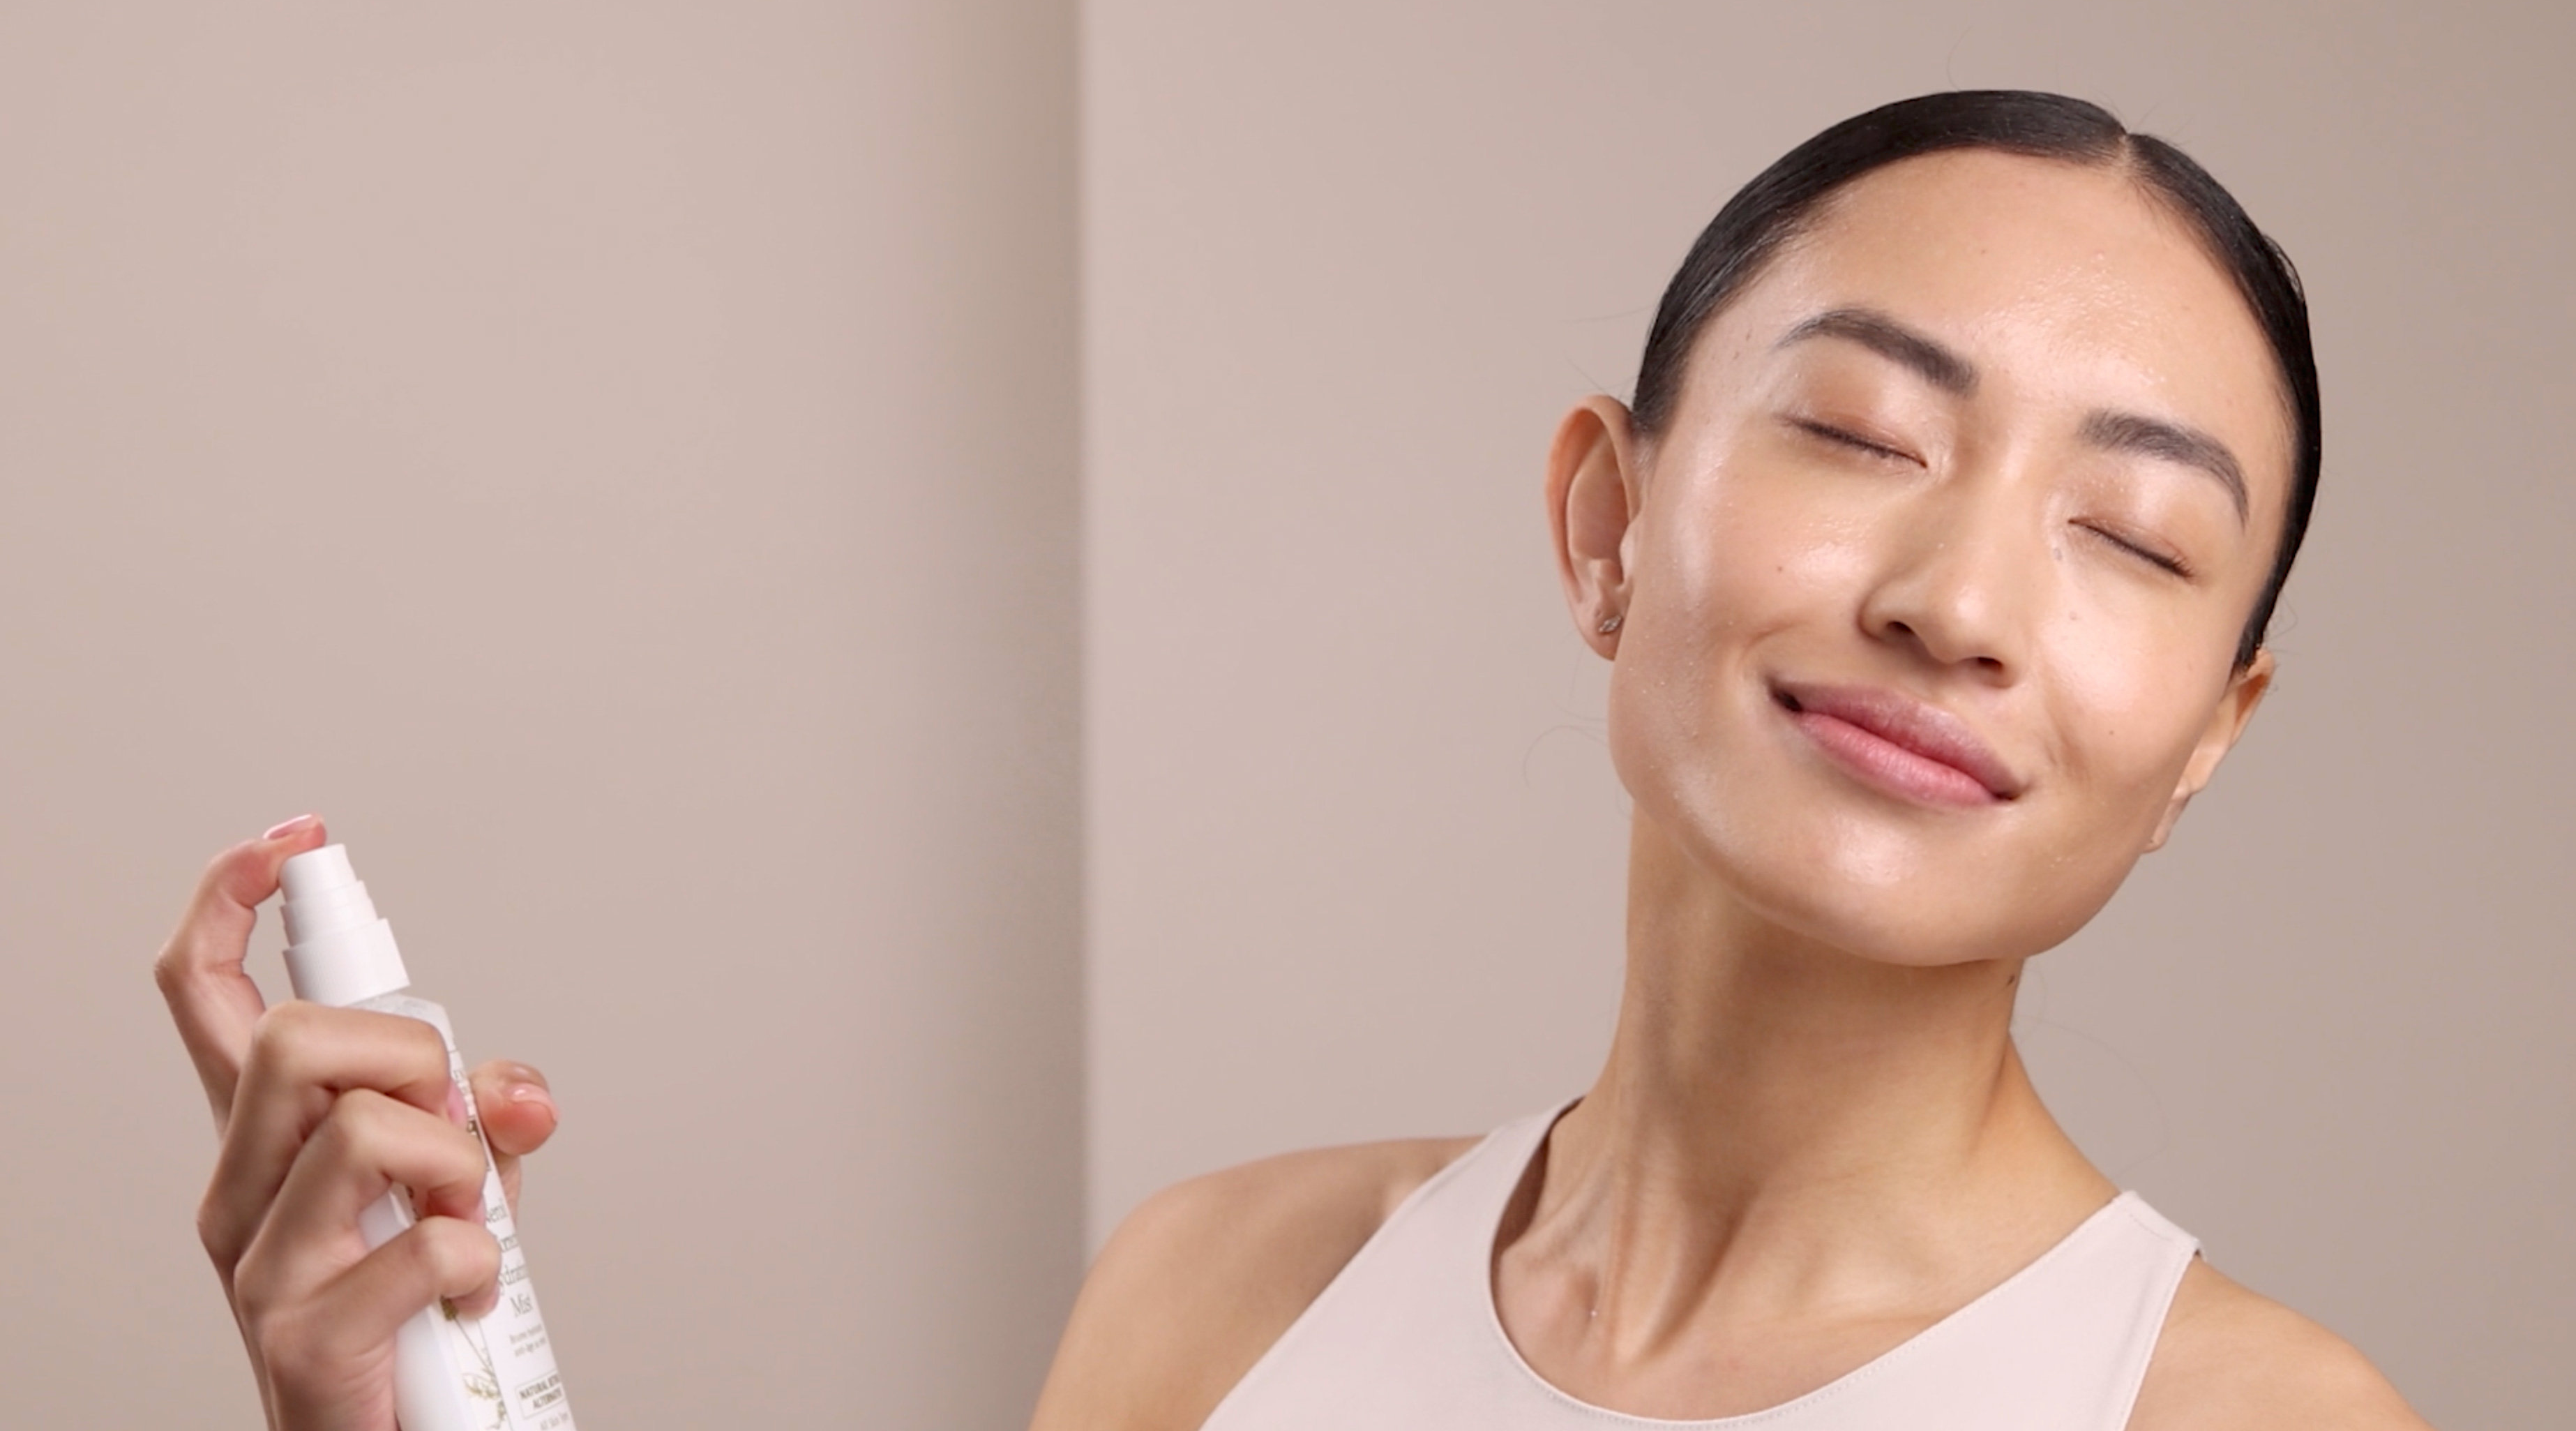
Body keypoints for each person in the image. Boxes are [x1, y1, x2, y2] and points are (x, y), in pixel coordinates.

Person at [159, 91, 2432, 1430]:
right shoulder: (1211, 1301)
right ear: (1608, 522)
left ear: (2212, 736)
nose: (1961, 599)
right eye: (1857, 429)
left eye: (2134, 540)